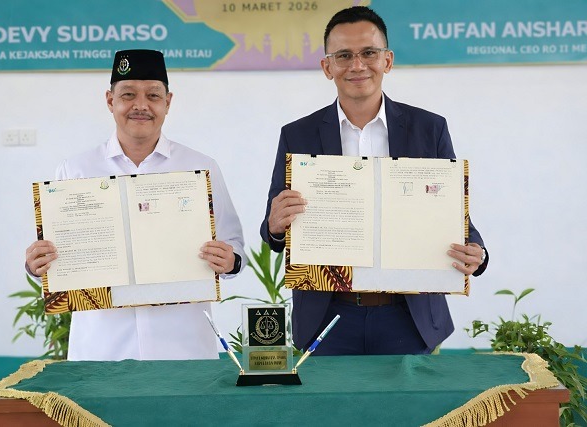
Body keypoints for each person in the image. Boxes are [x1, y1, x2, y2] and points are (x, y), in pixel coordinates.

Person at [260, 6, 489, 356]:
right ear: (327, 67)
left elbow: (452, 214)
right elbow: (274, 232)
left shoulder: (429, 129)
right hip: (328, 316)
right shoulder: (298, 135)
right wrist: (276, 226)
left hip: (408, 315)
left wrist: (478, 253)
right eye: (343, 56)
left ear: (387, 60)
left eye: (368, 53)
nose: (357, 65)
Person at [25, 49, 246, 361]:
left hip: (184, 346)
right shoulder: (76, 170)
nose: (141, 105)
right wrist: (37, 264)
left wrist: (230, 259)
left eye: (153, 95)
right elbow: (52, 260)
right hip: (101, 348)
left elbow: (235, 246)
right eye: (128, 94)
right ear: (110, 100)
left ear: (168, 102)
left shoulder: (201, 167)